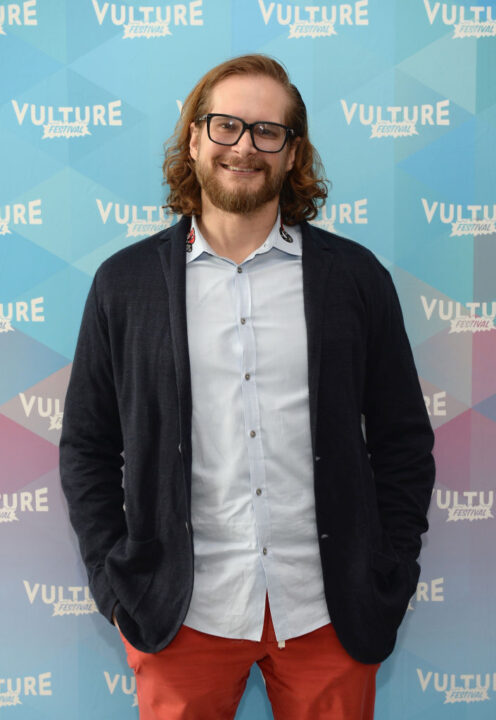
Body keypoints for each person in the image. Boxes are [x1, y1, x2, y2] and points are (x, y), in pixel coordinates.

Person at [60, 54, 435, 720]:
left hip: (330, 614)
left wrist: (391, 569)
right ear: (196, 138)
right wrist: (116, 584)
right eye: (226, 126)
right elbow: (88, 446)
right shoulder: (125, 285)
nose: (244, 147)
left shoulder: (355, 280)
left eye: (268, 132)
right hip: (181, 616)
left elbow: (403, 439)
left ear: (294, 155)